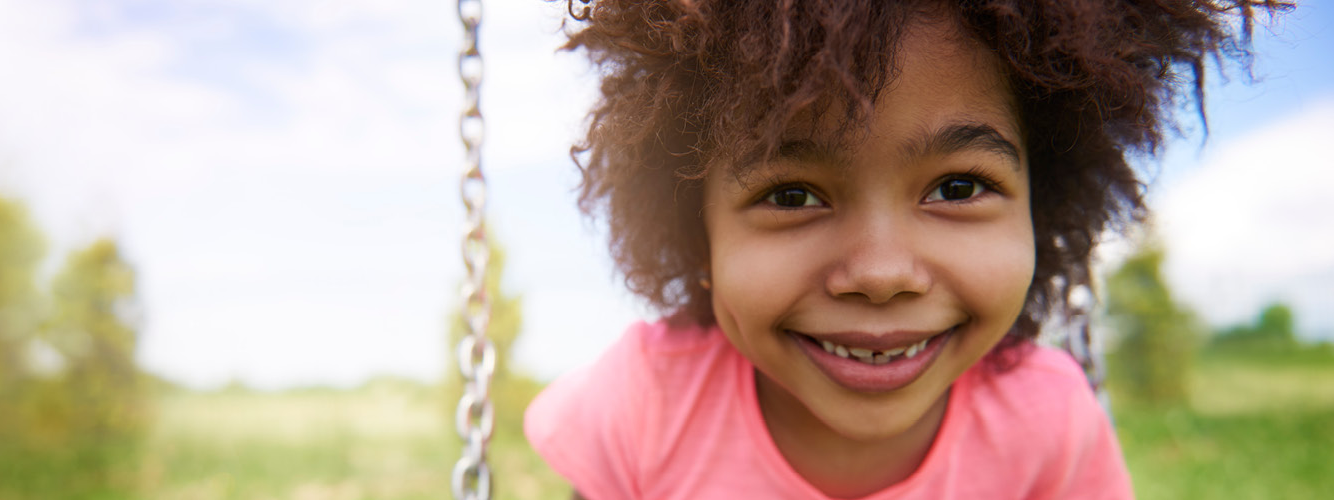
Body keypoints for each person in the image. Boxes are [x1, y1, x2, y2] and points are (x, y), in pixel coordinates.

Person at [523, 0, 1288, 498]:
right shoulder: (645, 409)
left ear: (1044, 199)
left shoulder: (1046, 424)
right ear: (697, 231)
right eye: (792, 196)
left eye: (957, 188)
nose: (882, 273)